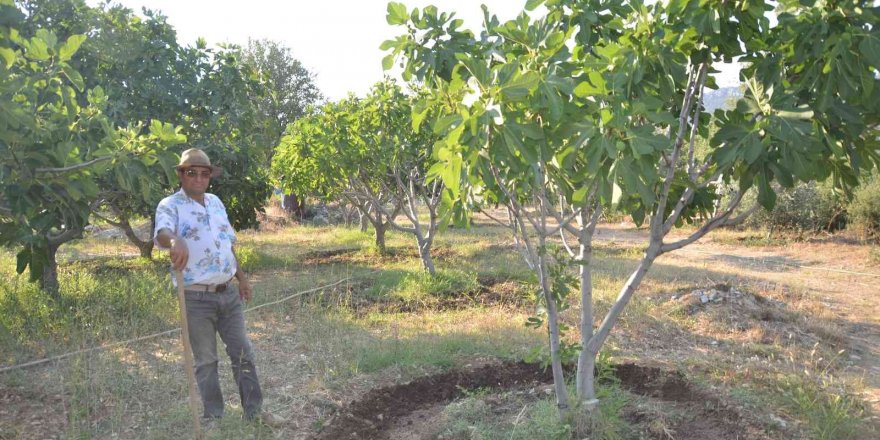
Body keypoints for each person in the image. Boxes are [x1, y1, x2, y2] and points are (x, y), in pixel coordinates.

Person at [154, 148, 282, 427]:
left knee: (243, 353)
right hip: (195, 296)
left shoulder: (215, 202)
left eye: (204, 173)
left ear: (210, 176)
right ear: (181, 174)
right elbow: (162, 233)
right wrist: (175, 241)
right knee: (206, 360)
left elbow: (227, 245)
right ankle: (214, 417)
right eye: (191, 172)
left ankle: (255, 412)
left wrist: (242, 278)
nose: (198, 178)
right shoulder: (170, 205)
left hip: (228, 293)